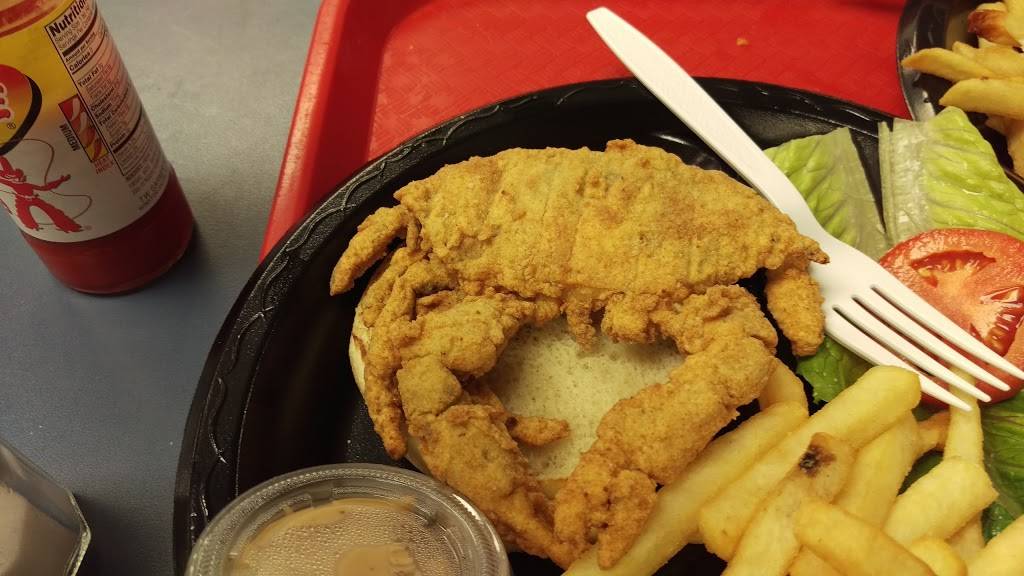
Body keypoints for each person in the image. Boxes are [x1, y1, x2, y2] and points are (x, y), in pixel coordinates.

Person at [0, 156, 81, 233]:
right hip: (22, 200)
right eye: (14, 178)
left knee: (51, 210)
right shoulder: (13, 184)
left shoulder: (27, 185)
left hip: (34, 198)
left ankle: (68, 226)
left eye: (17, 177)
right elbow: (3, 181)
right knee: (23, 213)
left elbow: (44, 188)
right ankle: (33, 227)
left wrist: (60, 181)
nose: (16, 179)